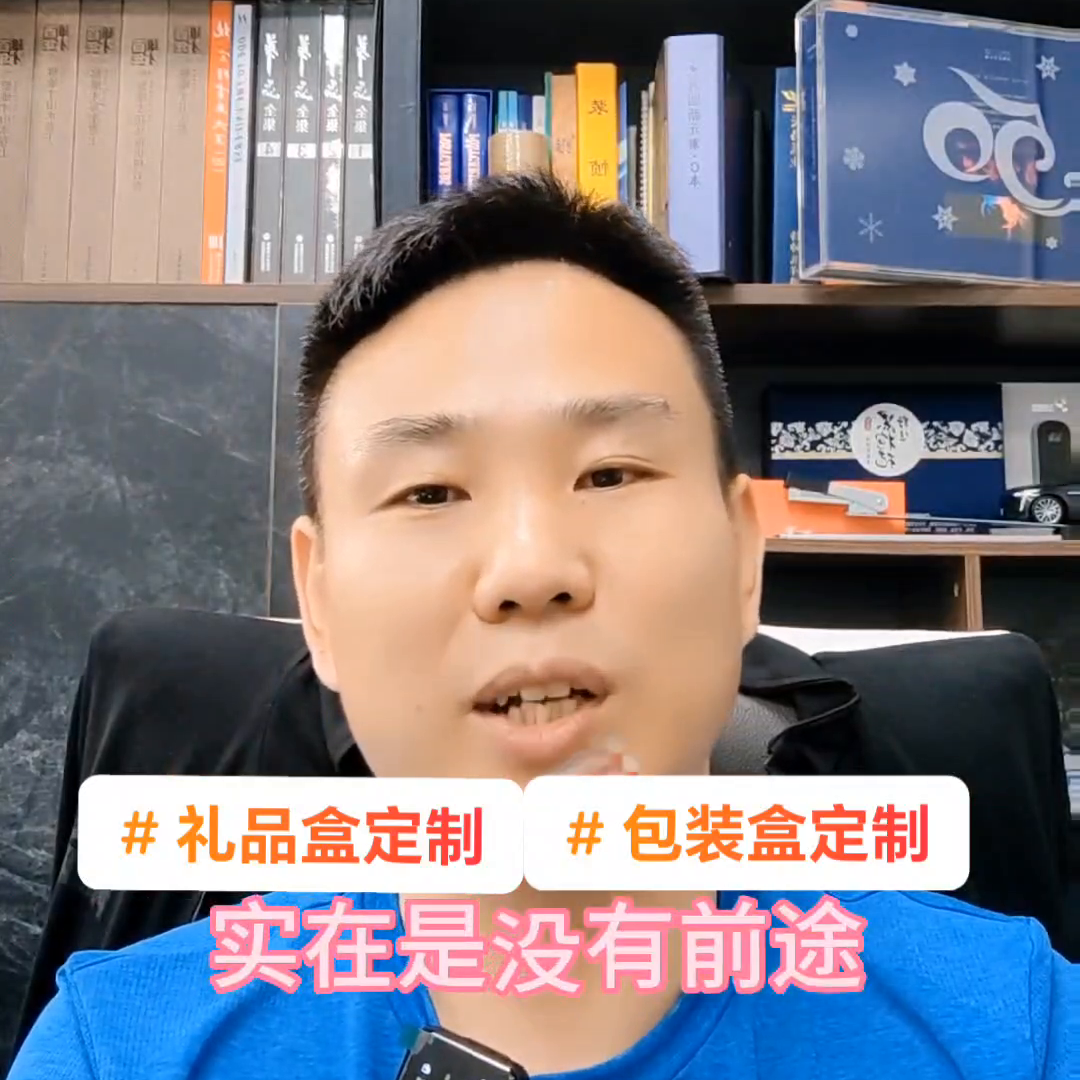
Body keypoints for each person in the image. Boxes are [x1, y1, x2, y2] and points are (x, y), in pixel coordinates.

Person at [10, 173, 1075, 1080]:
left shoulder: (1017, 1033)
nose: (530, 570)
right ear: (319, 602)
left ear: (743, 561)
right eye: (430, 492)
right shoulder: (121, 1053)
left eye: (610, 473)